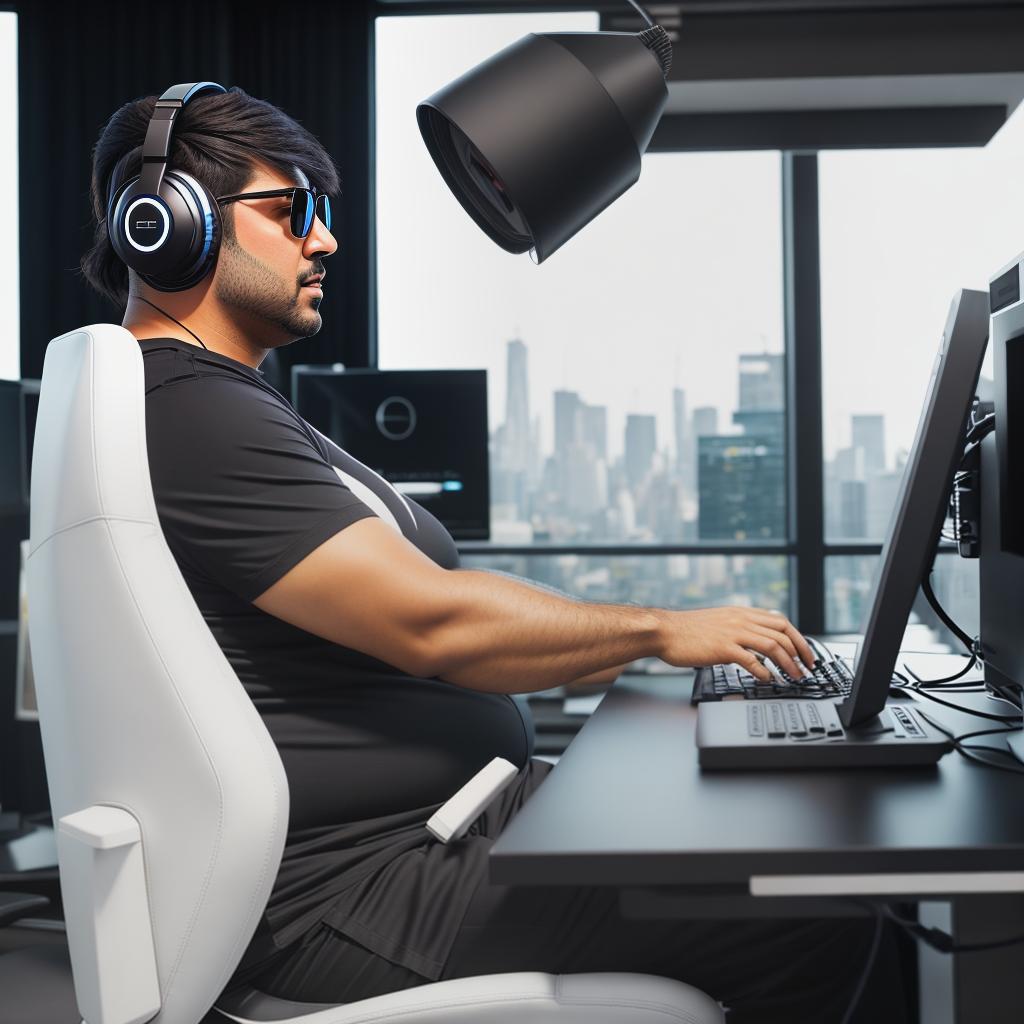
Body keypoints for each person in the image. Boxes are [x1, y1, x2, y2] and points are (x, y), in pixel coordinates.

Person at [79, 86, 912, 1023]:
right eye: (290, 211)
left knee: (773, 842)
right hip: (368, 889)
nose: (325, 241)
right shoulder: (193, 411)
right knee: (830, 914)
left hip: (440, 834)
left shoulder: (217, 403)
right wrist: (661, 630)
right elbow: (434, 621)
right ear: (165, 223)